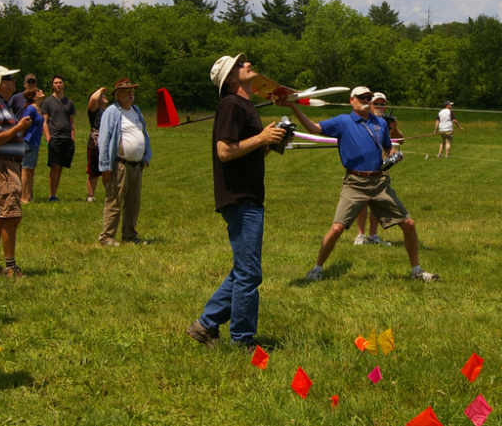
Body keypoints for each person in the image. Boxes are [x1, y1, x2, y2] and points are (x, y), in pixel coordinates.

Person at [284, 86, 438, 282]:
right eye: (361, 97)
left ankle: (416, 271)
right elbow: (314, 129)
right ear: (351, 100)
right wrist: (294, 108)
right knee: (337, 229)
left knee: (408, 223)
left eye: (368, 97)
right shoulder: (343, 121)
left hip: (379, 182)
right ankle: (316, 269)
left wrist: (395, 156)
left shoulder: (380, 123)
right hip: (354, 183)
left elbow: (388, 148)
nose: (365, 100)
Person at [187, 55, 286, 348]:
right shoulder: (231, 104)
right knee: (249, 271)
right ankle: (242, 339)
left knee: (246, 268)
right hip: (239, 197)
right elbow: (224, 151)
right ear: (230, 79)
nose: (247, 63)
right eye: (240, 64)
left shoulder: (246, 107)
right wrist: (261, 137)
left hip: (250, 195)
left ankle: (205, 325)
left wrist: (270, 141)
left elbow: (249, 152)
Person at [0, 66, 32, 279]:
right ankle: (10, 266)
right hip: (2, 166)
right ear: (0, 83)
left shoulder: (1, 104)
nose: (14, 81)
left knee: (1, 215)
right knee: (11, 215)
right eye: (9, 78)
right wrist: (17, 128)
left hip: (6, 165)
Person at [97, 79, 152, 246]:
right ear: (118, 95)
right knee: (114, 201)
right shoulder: (113, 112)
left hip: (137, 165)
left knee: (133, 203)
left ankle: (130, 235)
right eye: (127, 91)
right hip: (120, 164)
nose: (131, 94)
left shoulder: (136, 110)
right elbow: (104, 140)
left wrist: (146, 157)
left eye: (132, 91)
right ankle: (107, 237)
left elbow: (144, 133)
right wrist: (105, 166)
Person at [354, 91, 403, 246]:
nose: (380, 107)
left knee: (377, 202)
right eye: (377, 103)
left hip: (382, 169)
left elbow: (399, 140)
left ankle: (373, 235)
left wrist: (394, 129)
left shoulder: (386, 122)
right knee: (362, 202)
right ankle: (360, 235)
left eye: (383, 104)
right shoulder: (364, 119)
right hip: (362, 167)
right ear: (370, 104)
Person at [41, 74, 75, 202]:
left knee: (60, 167)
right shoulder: (47, 102)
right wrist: (48, 138)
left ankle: (55, 193)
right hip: (54, 137)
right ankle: (52, 195)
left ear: (63, 84)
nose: (58, 85)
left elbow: (72, 122)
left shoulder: (69, 102)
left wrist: (72, 138)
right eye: (56, 83)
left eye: (60, 82)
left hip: (66, 138)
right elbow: (44, 121)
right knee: (54, 166)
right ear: (52, 85)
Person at [19, 87, 45, 204]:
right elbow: (23, 124)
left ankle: (28, 195)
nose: (41, 91)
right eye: (38, 91)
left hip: (35, 142)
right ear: (34, 96)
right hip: (28, 141)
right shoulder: (30, 109)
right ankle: (23, 197)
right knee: (26, 170)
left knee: (31, 170)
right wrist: (21, 139)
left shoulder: (38, 109)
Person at [86, 87, 110, 203]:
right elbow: (93, 99)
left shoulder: (109, 112)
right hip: (95, 145)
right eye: (102, 96)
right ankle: (91, 196)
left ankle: (110, 195)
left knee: (108, 171)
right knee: (94, 173)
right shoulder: (94, 111)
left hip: (107, 147)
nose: (104, 97)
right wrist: (100, 90)